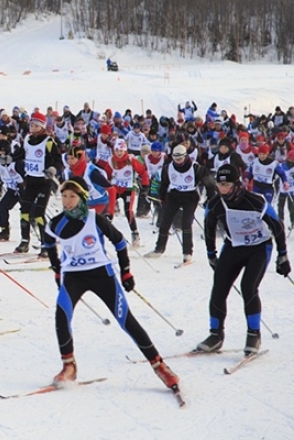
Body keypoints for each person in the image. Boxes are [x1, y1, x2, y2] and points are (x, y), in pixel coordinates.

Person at [43, 177, 179, 391]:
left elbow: (119, 241)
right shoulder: (56, 223)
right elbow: (48, 242)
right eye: (64, 196)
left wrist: (125, 272)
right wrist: (57, 269)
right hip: (73, 277)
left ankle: (160, 366)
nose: (67, 201)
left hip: (101, 275)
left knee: (126, 320)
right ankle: (69, 367)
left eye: (72, 196)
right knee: (61, 315)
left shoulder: (94, 219)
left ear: (82, 198)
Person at [198, 164, 289, 355]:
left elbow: (277, 227)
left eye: (226, 184)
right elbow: (209, 228)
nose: (222, 189)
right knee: (219, 287)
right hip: (234, 246)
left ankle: (253, 334)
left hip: (259, 247)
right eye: (219, 184)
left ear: (237, 184)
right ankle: (215, 335)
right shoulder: (215, 204)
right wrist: (211, 255)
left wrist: (282, 256)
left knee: (248, 287)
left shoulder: (256, 201)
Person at [144, 145, 216, 262]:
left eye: (180, 159)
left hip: (190, 196)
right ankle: (159, 248)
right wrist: (162, 198)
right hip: (174, 196)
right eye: (175, 159)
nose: (178, 161)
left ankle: (187, 253)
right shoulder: (168, 168)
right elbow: (164, 184)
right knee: (165, 221)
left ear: (185, 156)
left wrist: (209, 198)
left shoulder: (196, 168)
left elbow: (210, 184)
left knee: (186, 223)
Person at [15, 111, 62, 255]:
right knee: (24, 212)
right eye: (31, 124)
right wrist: (10, 158)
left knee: (39, 214)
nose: (32, 127)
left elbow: (58, 160)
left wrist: (53, 169)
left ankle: (46, 245)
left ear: (41, 126)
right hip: (30, 181)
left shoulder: (48, 141)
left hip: (43, 182)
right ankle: (24, 241)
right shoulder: (28, 139)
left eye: (35, 125)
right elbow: (22, 154)